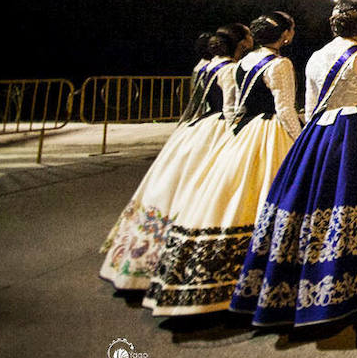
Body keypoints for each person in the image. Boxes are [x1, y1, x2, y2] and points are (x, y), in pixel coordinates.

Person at [231, 0, 357, 328]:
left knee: (313, 203)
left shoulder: (315, 57)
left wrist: (311, 143)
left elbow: (309, 107)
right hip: (355, 132)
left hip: (319, 135)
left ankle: (301, 284)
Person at [144, 13, 302, 317]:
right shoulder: (280, 64)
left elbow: (236, 105)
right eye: (291, 30)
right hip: (271, 132)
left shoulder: (243, 63)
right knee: (274, 192)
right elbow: (284, 108)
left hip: (246, 132)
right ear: (284, 36)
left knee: (232, 194)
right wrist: (300, 140)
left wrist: (234, 132)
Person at [101, 25, 249, 291]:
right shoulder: (228, 70)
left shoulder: (202, 66)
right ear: (238, 44)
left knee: (175, 184)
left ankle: (146, 251)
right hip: (216, 129)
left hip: (195, 129)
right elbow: (229, 108)